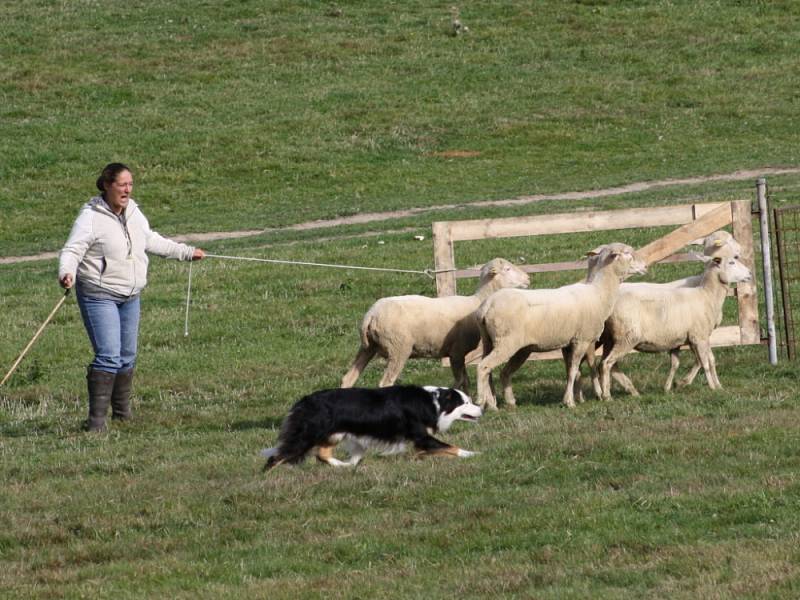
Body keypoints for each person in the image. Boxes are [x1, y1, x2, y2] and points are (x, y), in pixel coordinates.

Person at [58, 163, 205, 431]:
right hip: (99, 294)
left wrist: (186, 252)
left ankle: (123, 416)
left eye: (130, 184)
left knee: (127, 355)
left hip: (131, 295)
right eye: (122, 184)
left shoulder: (134, 212)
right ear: (106, 185)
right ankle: (96, 423)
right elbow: (72, 250)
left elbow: (149, 239)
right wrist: (67, 272)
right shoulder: (90, 217)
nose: (127, 189)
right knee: (109, 356)